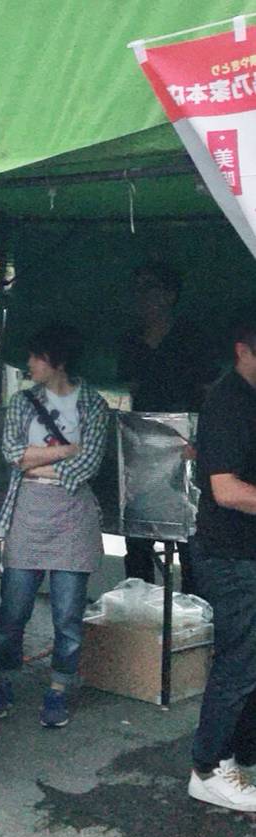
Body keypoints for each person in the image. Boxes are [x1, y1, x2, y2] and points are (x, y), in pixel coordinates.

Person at [0, 321, 109, 728]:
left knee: (68, 616)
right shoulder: (22, 402)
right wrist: (67, 450)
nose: (30, 364)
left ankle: (59, 688)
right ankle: (3, 680)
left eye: (36, 357)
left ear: (57, 360)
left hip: (72, 516)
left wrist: (37, 460)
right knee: (13, 610)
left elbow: (88, 465)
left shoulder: (93, 404)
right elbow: (13, 454)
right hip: (27, 512)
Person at [187, 313, 256, 811]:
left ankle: (239, 755)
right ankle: (207, 768)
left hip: (246, 551)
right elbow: (226, 490)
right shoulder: (228, 402)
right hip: (229, 554)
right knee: (239, 660)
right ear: (242, 351)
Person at [117, 262, 220, 593]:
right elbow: (132, 390)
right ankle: (138, 607)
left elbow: (208, 393)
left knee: (190, 536)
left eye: (149, 288)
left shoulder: (193, 337)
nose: (141, 297)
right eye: (137, 289)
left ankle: (193, 610)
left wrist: (201, 441)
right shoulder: (131, 339)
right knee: (137, 537)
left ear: (169, 295)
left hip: (186, 445)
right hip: (142, 448)